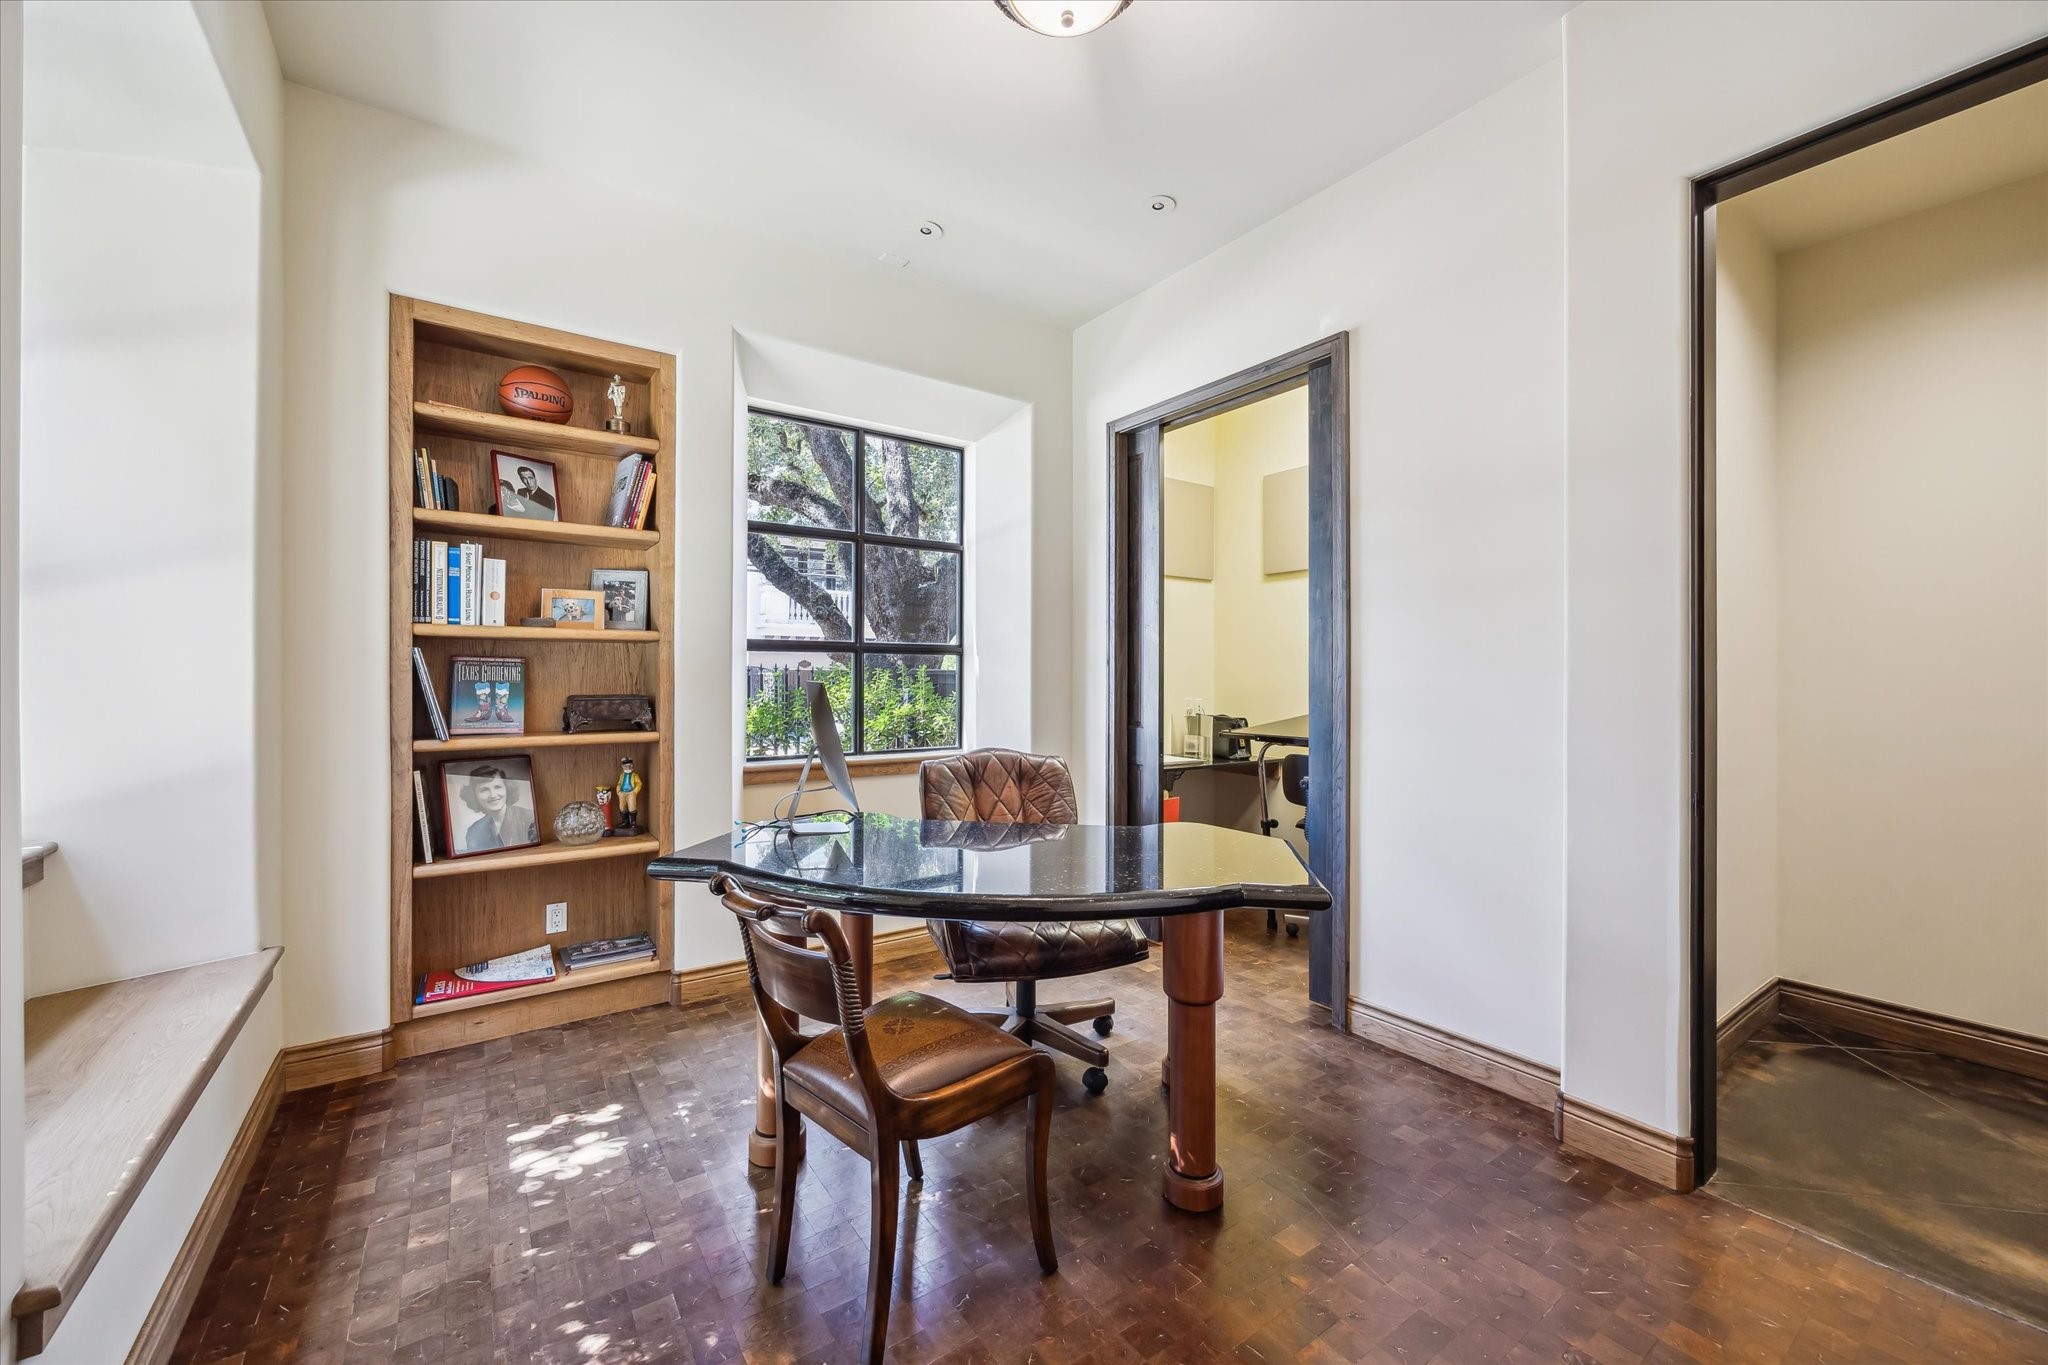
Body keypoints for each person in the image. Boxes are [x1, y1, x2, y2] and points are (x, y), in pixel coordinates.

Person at [459, 764, 536, 852]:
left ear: (507, 789)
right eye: (484, 790)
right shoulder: (474, 831)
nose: (493, 795)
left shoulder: (530, 818)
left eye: (498, 787)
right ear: (474, 795)